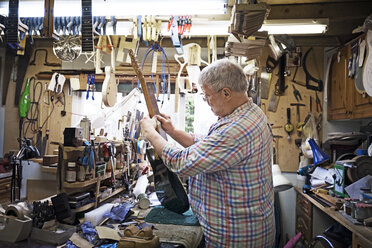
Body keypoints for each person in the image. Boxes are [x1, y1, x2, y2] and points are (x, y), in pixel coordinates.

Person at [140, 59, 275, 247]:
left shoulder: (237, 128)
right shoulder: (248, 113)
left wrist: (151, 134)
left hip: (236, 237)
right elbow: (207, 145)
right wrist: (172, 131)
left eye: (207, 96)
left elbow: (181, 163)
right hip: (237, 229)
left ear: (226, 93)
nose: (206, 101)